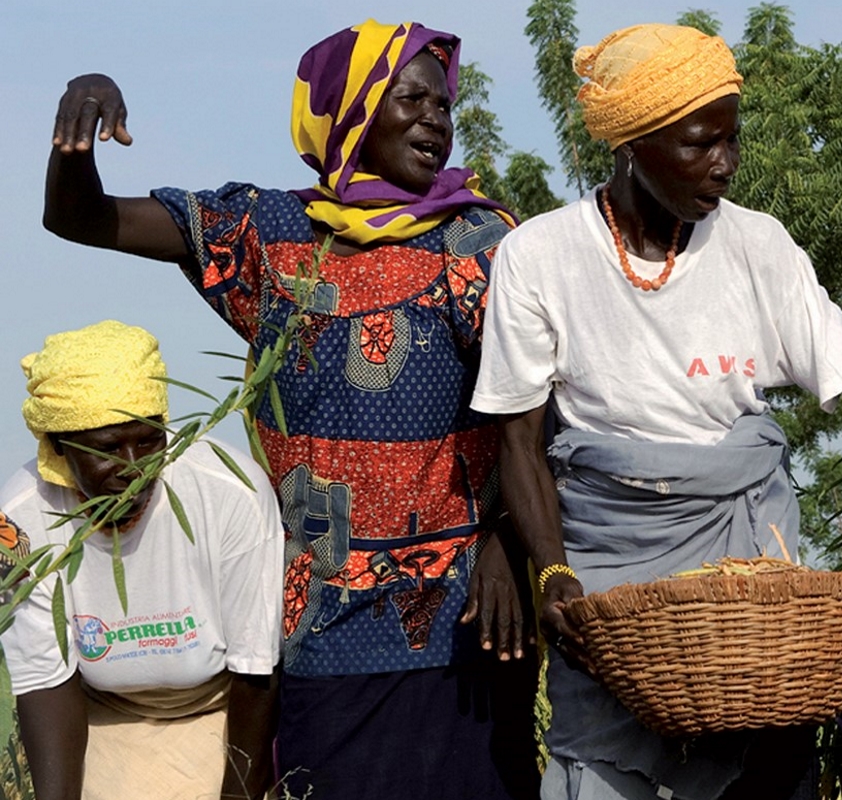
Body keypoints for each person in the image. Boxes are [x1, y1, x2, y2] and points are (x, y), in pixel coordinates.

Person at [41, 21, 534, 799]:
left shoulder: (486, 242)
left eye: (444, 105)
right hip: (319, 635)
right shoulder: (270, 236)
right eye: (411, 99)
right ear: (351, 111)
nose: (437, 120)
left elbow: (537, 416)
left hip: (465, 622)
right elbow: (81, 219)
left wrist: (508, 540)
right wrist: (78, 130)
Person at [470, 24, 842, 800]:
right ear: (633, 144)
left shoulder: (755, 247)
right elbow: (520, 438)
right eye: (702, 144)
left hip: (745, 598)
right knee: (606, 765)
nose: (726, 165)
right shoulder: (541, 257)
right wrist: (554, 573)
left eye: (732, 140)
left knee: (767, 765)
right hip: (611, 572)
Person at [1, 321, 280, 800]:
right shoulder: (20, 524)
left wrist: (238, 794)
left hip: (227, 714)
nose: (135, 468)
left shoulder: (229, 492)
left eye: (149, 440)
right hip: (106, 717)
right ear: (61, 448)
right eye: (109, 449)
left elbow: (257, 667)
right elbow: (46, 683)